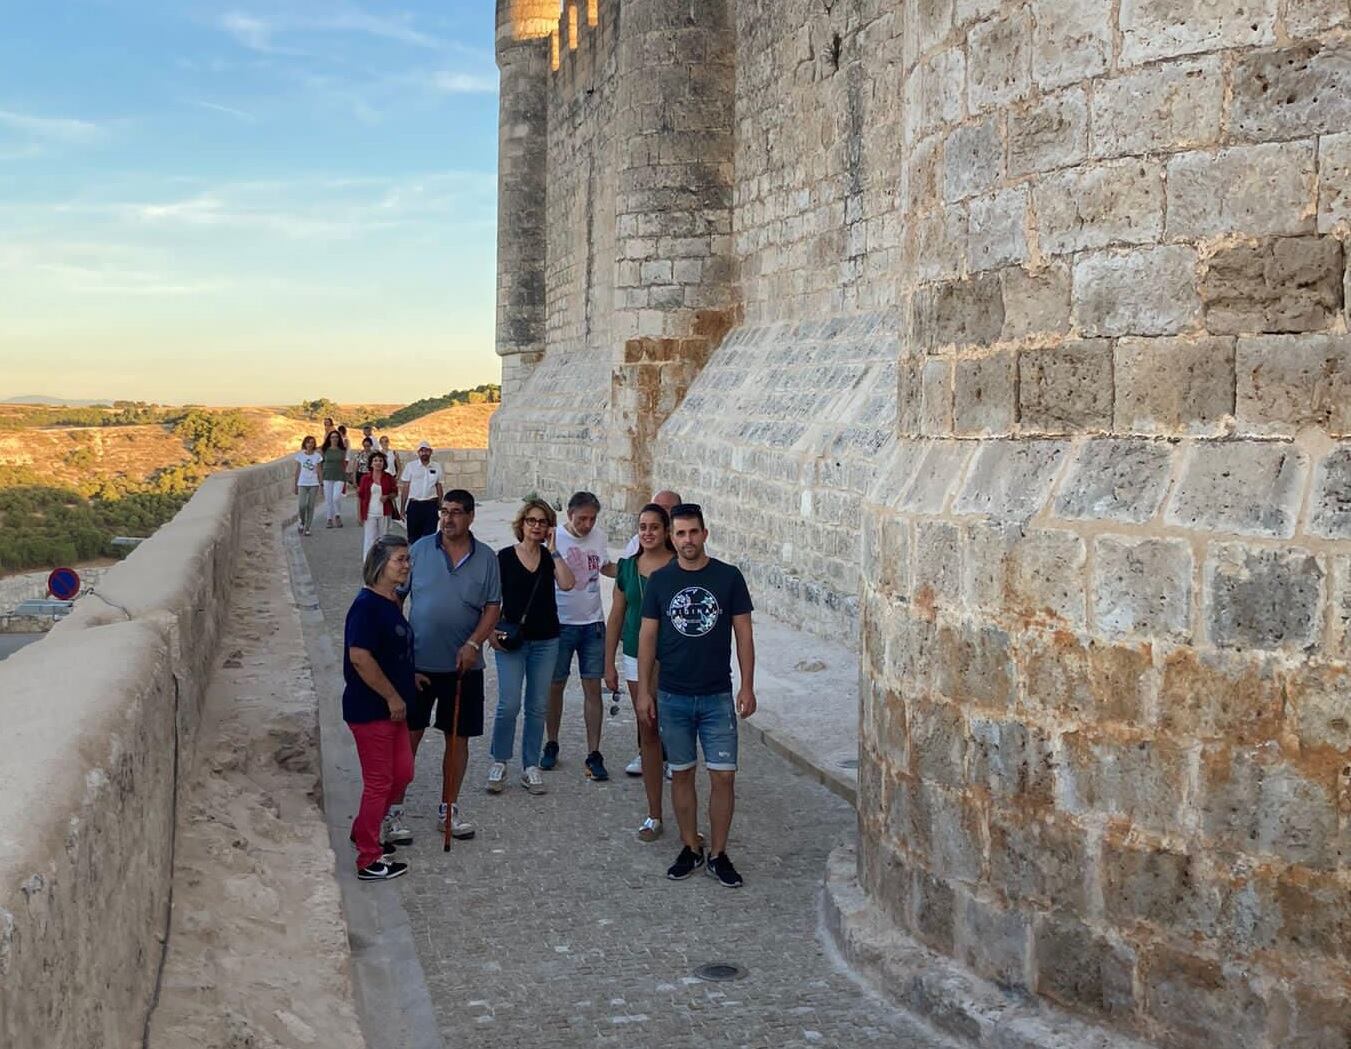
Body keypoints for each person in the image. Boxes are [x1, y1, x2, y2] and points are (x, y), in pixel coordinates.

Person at [638, 504, 756, 888]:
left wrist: (748, 685)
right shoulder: (660, 581)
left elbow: (744, 634)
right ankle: (691, 846)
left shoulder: (728, 578)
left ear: (705, 534)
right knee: (682, 775)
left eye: (694, 533)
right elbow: (648, 637)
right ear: (672, 537)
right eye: (681, 533)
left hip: (716, 696)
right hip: (672, 695)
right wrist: (643, 691)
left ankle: (719, 853)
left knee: (724, 778)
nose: (687, 540)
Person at [390, 489, 502, 844]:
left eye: (455, 512)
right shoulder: (420, 550)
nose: (448, 519)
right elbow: (395, 595)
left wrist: (474, 643)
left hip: (464, 667)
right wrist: (399, 648)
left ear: (470, 517)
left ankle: (448, 808)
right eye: (444, 511)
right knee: (409, 738)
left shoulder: (486, 558)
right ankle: (393, 810)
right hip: (419, 665)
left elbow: (492, 607)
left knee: (458, 740)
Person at [343, 535, 418, 881]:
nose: (405, 565)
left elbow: (391, 650)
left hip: (394, 708)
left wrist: (408, 678)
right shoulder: (367, 606)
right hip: (373, 708)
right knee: (379, 780)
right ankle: (368, 858)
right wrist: (391, 695)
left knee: (401, 773)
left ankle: (364, 830)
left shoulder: (389, 601)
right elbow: (359, 656)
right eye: (399, 560)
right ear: (380, 565)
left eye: (406, 559)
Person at [488, 499, 575, 795]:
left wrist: (554, 550)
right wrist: (490, 632)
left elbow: (567, 584)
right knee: (508, 704)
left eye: (542, 522)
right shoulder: (504, 558)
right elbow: (490, 598)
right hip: (512, 640)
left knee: (537, 706)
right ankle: (499, 761)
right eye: (531, 521)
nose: (536, 526)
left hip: (546, 639)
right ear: (522, 524)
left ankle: (530, 765)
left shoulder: (551, 558)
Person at [604, 504, 675, 841]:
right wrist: (608, 663)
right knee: (647, 728)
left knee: (675, 731)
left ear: (666, 532)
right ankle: (654, 813)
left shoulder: (678, 567)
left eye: (654, 527)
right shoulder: (628, 569)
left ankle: (684, 811)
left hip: (675, 659)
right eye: (642, 527)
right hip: (635, 656)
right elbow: (617, 615)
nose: (647, 533)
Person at [542, 491, 614, 780]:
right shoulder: (553, 538)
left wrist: (631, 572)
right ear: (569, 515)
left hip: (593, 623)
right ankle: (551, 742)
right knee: (555, 686)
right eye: (582, 518)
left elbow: (604, 565)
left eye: (592, 519)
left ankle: (594, 751)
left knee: (592, 688)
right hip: (560, 622)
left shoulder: (598, 537)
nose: (587, 525)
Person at [399, 441, 444, 546]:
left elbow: (439, 486)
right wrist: (402, 508)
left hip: (431, 505)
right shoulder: (411, 466)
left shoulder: (436, 466)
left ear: (431, 452)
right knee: (413, 537)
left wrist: (440, 504)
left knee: (430, 537)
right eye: (422, 450)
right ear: (418, 452)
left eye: (427, 450)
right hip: (415, 505)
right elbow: (406, 488)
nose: (424, 453)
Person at [357, 451, 399, 562]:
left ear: (384, 463)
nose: (378, 463)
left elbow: (395, 493)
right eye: (375, 460)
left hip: (384, 513)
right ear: (371, 463)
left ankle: (383, 562)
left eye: (380, 461)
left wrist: (388, 496)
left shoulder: (388, 477)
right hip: (370, 513)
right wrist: (359, 515)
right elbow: (360, 497)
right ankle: (368, 562)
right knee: (370, 539)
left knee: (384, 538)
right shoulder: (365, 478)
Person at [293, 435, 322, 537]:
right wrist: (295, 485)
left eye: (312, 442)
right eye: (308, 442)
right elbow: (298, 470)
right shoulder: (300, 456)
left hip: (313, 483)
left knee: (310, 506)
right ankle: (302, 521)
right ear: (305, 444)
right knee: (302, 505)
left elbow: (319, 470)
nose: (310, 444)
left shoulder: (317, 456)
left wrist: (321, 483)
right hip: (302, 483)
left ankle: (308, 527)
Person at [320, 429, 348, 528]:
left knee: (336, 497)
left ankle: (337, 515)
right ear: (329, 439)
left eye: (336, 437)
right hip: (327, 475)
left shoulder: (342, 450)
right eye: (332, 437)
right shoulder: (324, 450)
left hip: (339, 476)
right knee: (328, 499)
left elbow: (344, 462)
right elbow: (320, 463)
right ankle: (329, 518)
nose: (334, 439)